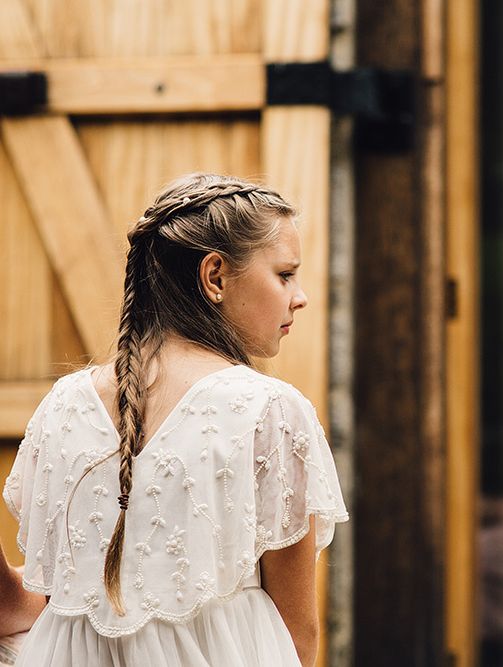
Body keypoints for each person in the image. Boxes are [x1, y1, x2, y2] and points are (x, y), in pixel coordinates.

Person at [1, 173, 349, 666]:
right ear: (215, 276)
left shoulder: (64, 404)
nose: (301, 297)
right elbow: (297, 634)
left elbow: (35, 603)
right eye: (285, 274)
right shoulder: (269, 413)